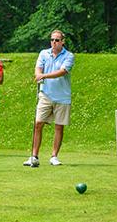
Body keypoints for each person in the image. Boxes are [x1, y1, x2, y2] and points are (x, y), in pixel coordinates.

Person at [23, 29, 74, 167]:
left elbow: (62, 72)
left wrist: (44, 76)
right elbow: (38, 68)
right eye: (52, 40)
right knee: (38, 123)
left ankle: (54, 156)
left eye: (57, 40)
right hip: (45, 95)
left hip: (62, 96)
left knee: (59, 127)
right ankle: (34, 156)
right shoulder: (43, 53)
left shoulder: (69, 56)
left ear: (62, 42)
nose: (54, 42)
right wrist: (39, 74)